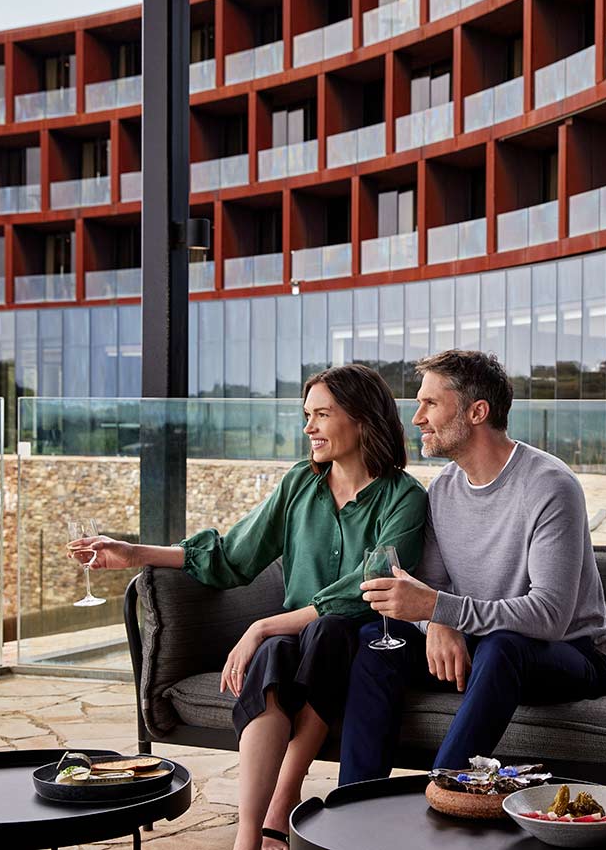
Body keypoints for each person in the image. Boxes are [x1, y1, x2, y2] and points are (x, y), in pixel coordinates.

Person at [70, 364, 426, 850]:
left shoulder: (403, 496)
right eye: (306, 415)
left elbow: (369, 586)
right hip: (297, 639)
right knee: (277, 656)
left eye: (322, 414)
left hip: (359, 638)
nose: (309, 428)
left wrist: (262, 624)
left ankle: (283, 800)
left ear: (362, 419)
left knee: (325, 633)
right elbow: (233, 555)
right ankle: (247, 834)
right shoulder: (300, 482)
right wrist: (135, 553)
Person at [339, 350, 606, 783]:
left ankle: (441, 795)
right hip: (478, 644)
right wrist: (437, 624)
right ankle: (354, 805)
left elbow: (549, 615)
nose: (417, 418)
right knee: (376, 640)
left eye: (430, 403)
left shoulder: (549, 485)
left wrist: (442, 610)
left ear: (476, 411)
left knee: (503, 645)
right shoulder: (444, 489)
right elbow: (431, 589)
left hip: (572, 655)